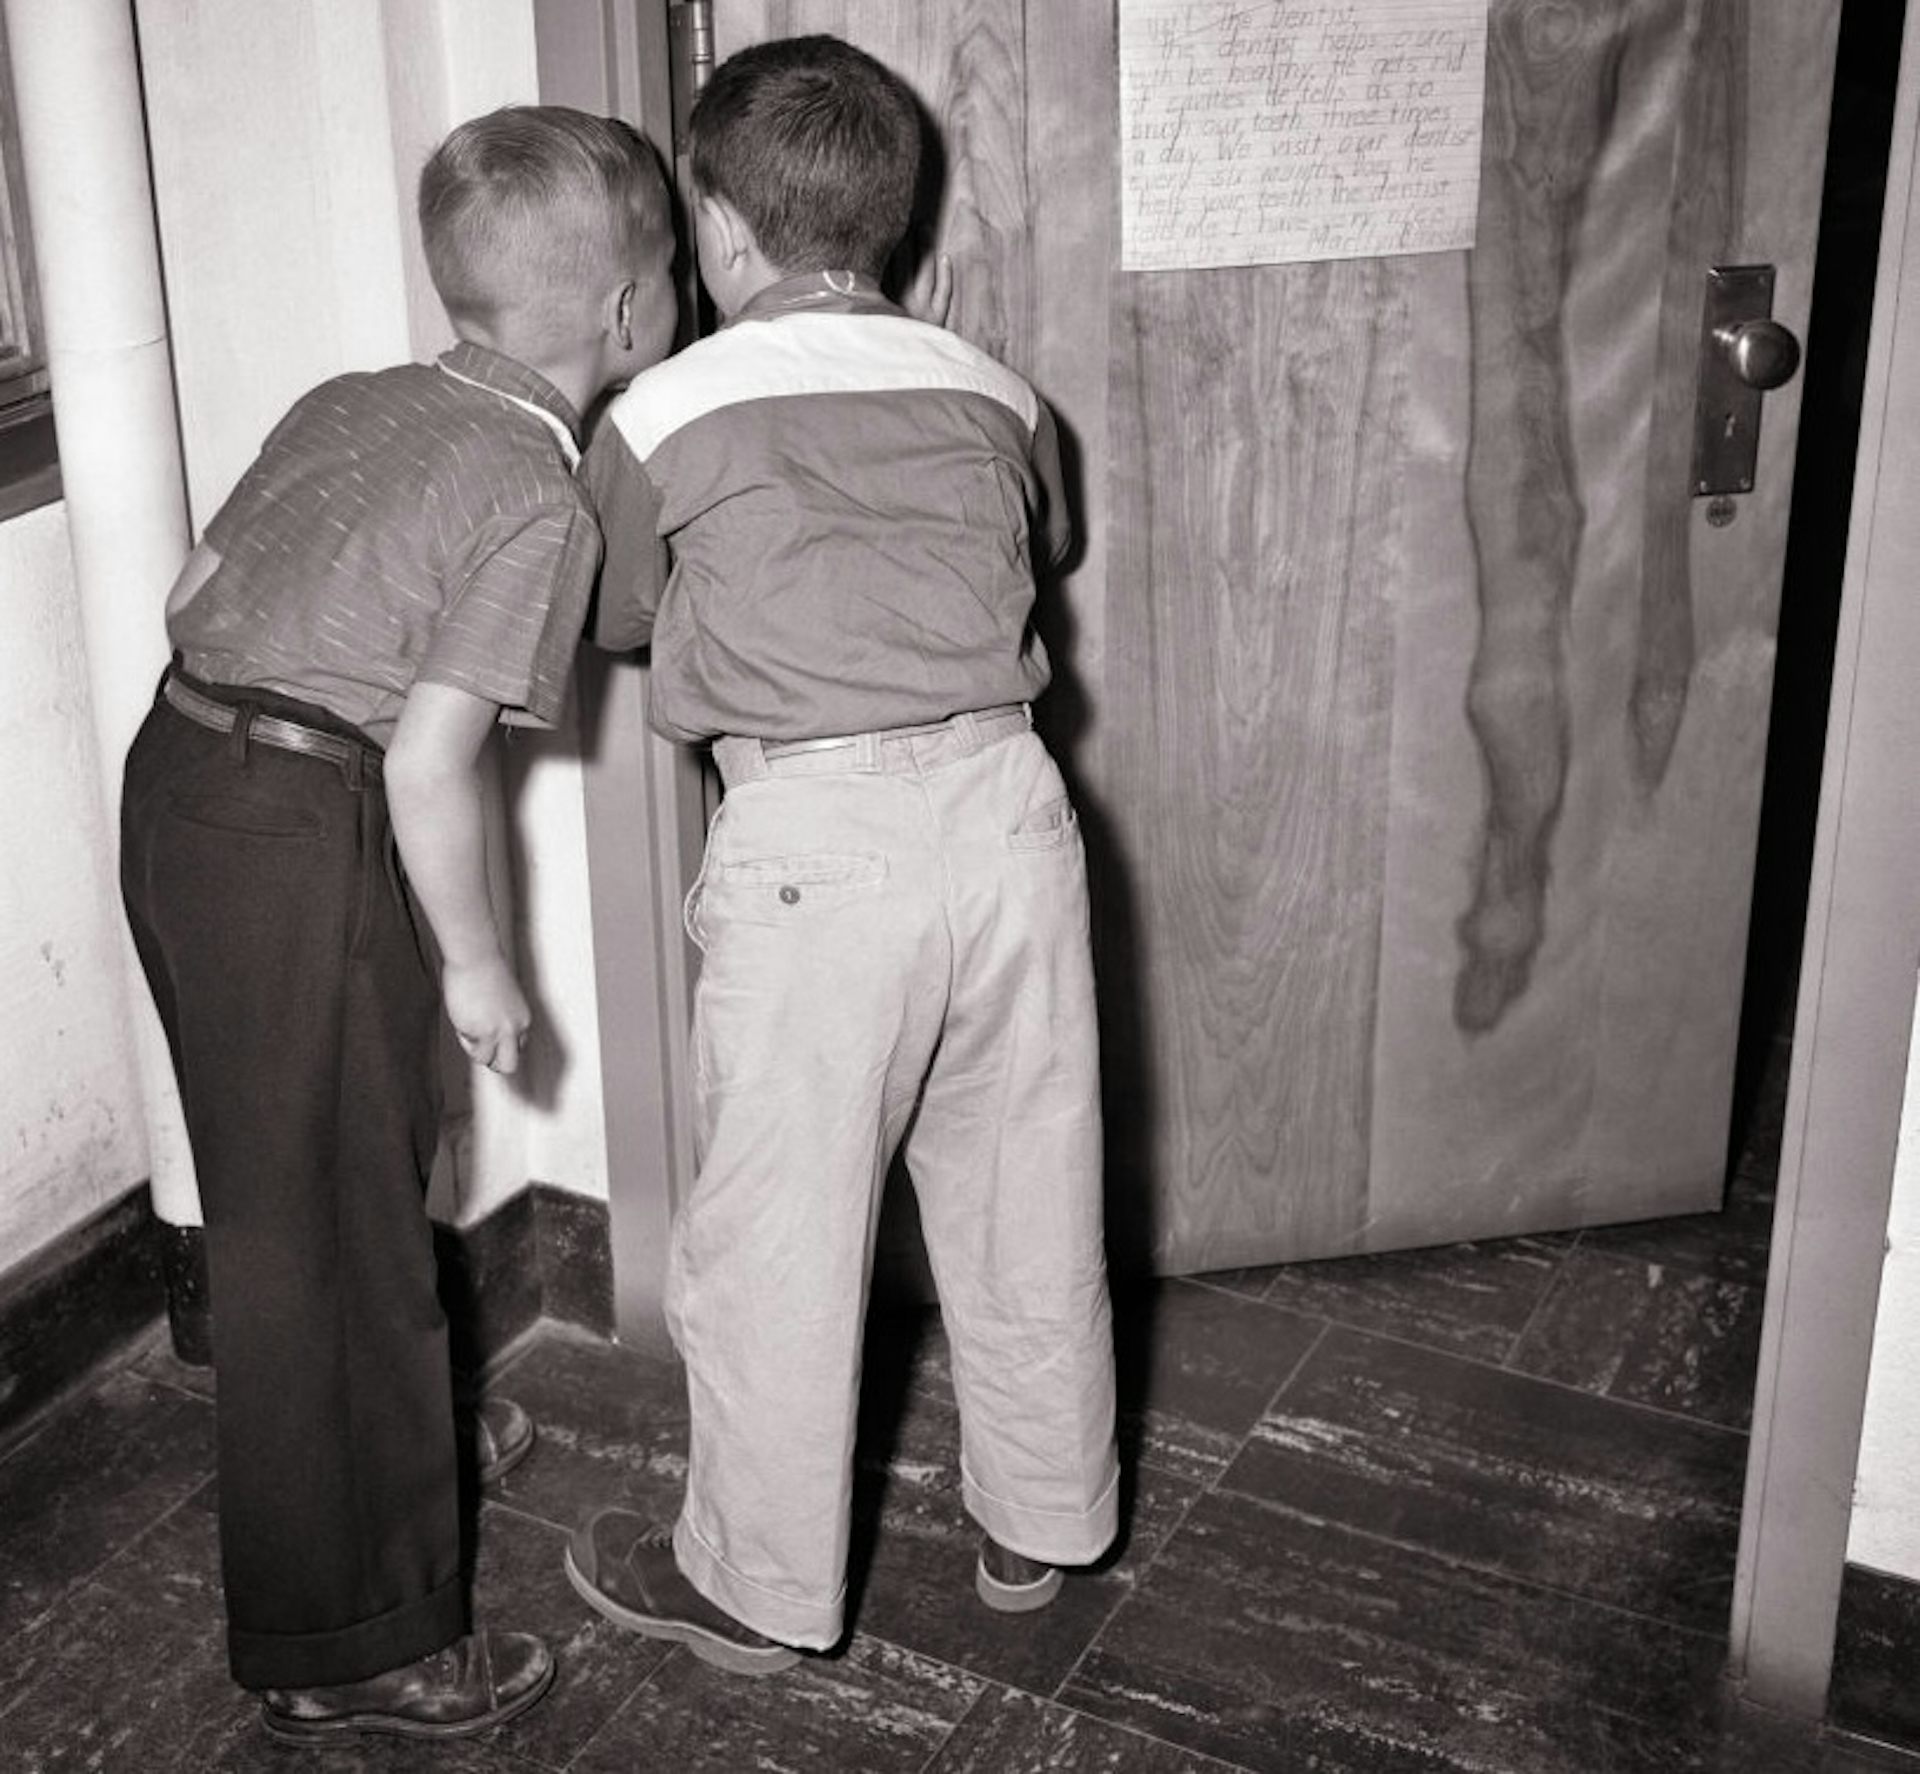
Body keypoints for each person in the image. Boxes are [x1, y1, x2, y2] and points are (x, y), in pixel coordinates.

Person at [118, 105, 678, 1742]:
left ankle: (387, 1442)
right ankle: (350, 1636)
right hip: (304, 827)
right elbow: (433, 764)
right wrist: (482, 968)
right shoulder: (539, 492)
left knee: (317, 1189)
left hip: (181, 780)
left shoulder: (354, 397)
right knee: (331, 1242)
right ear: (628, 311)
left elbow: (193, 589)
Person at [565, 34, 1120, 1675]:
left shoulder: (662, 407)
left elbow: (618, 614)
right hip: (1012, 815)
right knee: (1029, 1188)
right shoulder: (997, 389)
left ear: (719, 228)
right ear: (894, 223)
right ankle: (1044, 1515)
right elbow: (1044, 540)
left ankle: (756, 1586)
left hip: (818, 841)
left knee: (779, 1236)